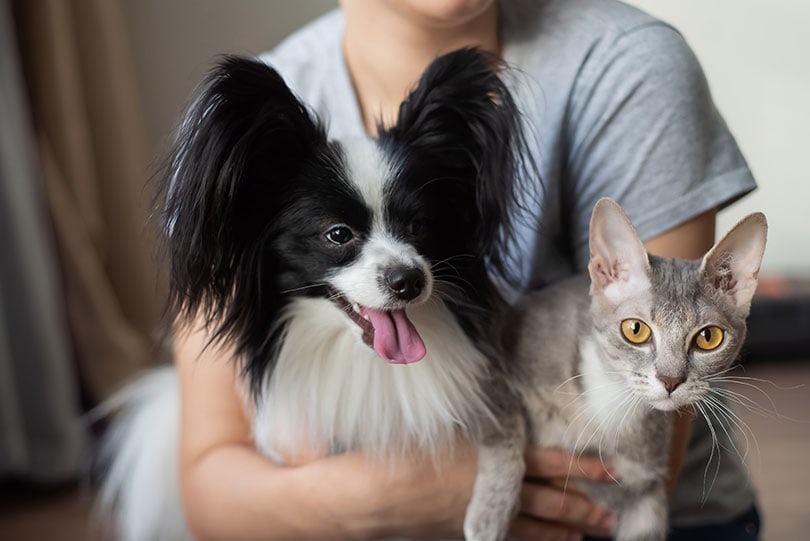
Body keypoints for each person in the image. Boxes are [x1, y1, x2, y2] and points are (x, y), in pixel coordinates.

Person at [175, 0, 760, 539]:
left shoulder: (625, 64)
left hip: (636, 512)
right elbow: (211, 486)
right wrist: (391, 493)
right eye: (338, 235)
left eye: (417, 229)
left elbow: (641, 452)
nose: (399, 266)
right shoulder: (253, 119)